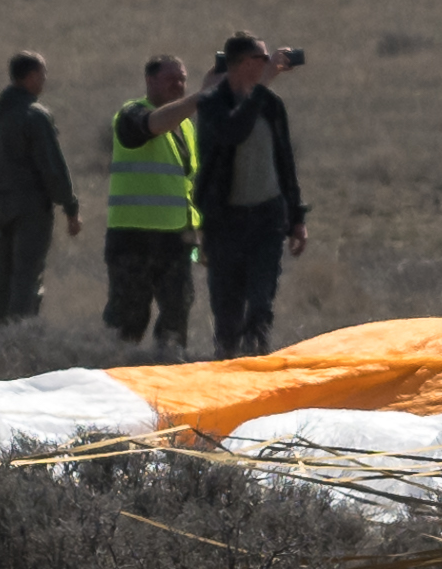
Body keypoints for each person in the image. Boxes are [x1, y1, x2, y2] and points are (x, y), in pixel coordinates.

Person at [191, 29, 312, 356]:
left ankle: (257, 360)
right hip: (224, 221)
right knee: (227, 311)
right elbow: (233, 131)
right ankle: (227, 367)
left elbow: (285, 161)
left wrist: (297, 217)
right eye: (263, 58)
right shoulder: (212, 104)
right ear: (244, 63)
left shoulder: (270, 105)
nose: (270, 62)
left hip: (266, 218)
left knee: (261, 303)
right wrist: (264, 84)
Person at [100, 54, 206, 352]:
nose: (178, 84)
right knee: (127, 320)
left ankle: (168, 369)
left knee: (177, 314)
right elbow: (153, 125)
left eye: (183, 79)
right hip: (133, 239)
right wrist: (201, 97)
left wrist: (199, 236)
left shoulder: (186, 127)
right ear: (150, 80)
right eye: (171, 78)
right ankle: (110, 372)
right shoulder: (131, 114)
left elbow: (188, 187)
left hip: (176, 239)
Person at [0, 53, 81, 325]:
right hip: (30, 206)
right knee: (26, 276)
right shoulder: (34, 116)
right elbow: (53, 167)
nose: (45, 80)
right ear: (31, 76)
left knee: (2, 277)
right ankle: (20, 334)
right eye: (42, 74)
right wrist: (70, 207)